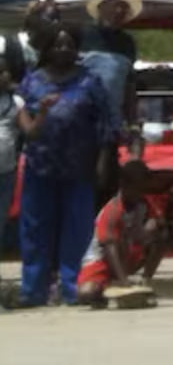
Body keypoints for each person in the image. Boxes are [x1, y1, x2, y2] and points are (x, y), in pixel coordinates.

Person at [17, 27, 122, 306]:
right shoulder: (31, 82)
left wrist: (102, 163)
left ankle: (73, 287)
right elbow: (22, 122)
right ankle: (33, 290)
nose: (64, 50)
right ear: (48, 49)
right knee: (35, 230)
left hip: (79, 167)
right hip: (40, 167)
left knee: (77, 230)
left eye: (70, 45)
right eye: (58, 45)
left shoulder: (90, 82)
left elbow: (107, 125)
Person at [77, 0, 140, 205]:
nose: (119, 12)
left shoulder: (127, 44)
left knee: (105, 184)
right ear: (102, 7)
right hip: (80, 123)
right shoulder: (82, 36)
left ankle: (99, 234)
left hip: (111, 125)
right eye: (115, 6)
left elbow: (129, 87)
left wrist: (133, 125)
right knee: (81, 182)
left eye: (124, 8)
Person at [76, 157, 163, 308]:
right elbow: (109, 248)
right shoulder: (113, 210)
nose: (141, 194)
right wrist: (124, 281)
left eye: (144, 189)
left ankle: (145, 282)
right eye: (138, 189)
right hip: (102, 262)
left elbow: (159, 223)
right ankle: (111, 288)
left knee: (160, 238)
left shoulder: (143, 203)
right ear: (124, 186)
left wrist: (152, 226)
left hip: (127, 254)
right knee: (86, 293)